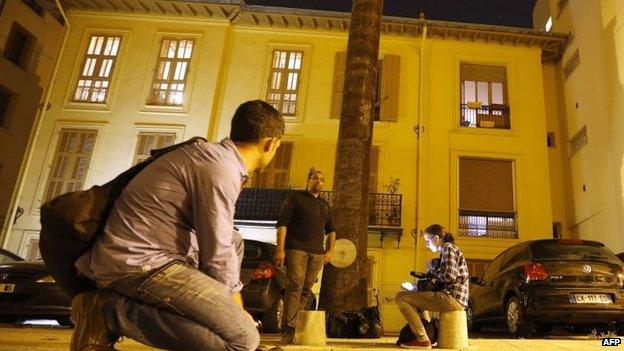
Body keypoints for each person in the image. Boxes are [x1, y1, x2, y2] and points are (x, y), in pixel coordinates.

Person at [71, 100, 285, 351]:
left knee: (235, 243)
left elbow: (225, 242)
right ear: (271, 144)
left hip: (151, 258)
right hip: (140, 263)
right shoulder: (222, 169)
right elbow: (216, 250)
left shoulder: (214, 157)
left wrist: (224, 311)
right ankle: (109, 311)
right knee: (244, 338)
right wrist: (236, 310)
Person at [274, 168, 336, 344]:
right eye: (315, 178)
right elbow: (282, 223)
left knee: (306, 288)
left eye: (322, 179)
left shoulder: (325, 205)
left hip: (317, 253)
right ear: (308, 181)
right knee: (295, 284)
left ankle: (295, 324)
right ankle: (288, 328)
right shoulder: (295, 197)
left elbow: (331, 230)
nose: (319, 181)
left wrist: (330, 250)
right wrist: (280, 249)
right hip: (296, 249)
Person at [395, 224, 469, 349]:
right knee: (414, 297)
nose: (427, 245)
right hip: (453, 296)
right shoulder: (446, 251)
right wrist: (415, 288)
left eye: (428, 241)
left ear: (436, 238)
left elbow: (450, 276)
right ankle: (427, 336)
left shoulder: (448, 248)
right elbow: (441, 282)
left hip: (452, 297)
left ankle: (422, 340)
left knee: (401, 298)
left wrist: (433, 270)